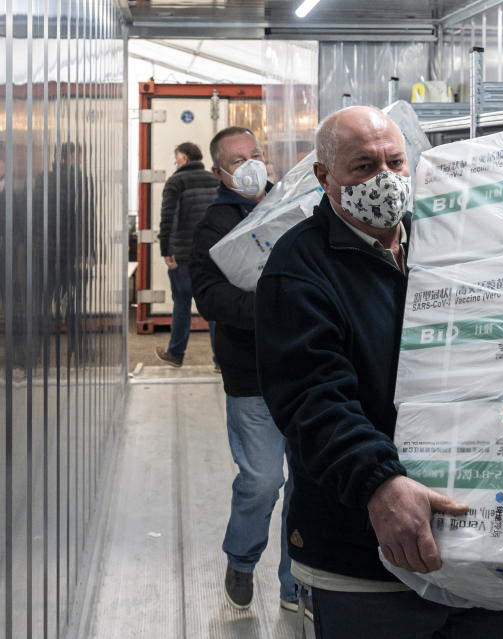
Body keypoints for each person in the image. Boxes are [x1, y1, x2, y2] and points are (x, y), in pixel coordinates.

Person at [255, 106, 503, 639]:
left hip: (472, 543)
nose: (385, 180)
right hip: (364, 558)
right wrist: (380, 483)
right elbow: (314, 400)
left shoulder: (449, 246)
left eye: (395, 162)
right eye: (362, 167)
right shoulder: (298, 270)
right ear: (324, 178)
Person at [189, 126, 306, 618]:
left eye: (256, 155)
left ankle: (296, 581)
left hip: (306, 369)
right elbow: (211, 296)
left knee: (307, 482)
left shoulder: (297, 209)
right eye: (238, 160)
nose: (252, 165)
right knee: (261, 480)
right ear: (220, 172)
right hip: (251, 373)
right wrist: (271, 307)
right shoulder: (214, 225)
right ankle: (241, 559)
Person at [155, 142, 219, 368]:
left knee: (181, 303)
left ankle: (176, 353)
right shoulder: (215, 180)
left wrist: (166, 250)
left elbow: (168, 218)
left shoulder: (176, 182)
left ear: (183, 157)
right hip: (212, 254)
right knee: (213, 306)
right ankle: (221, 361)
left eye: (176, 157)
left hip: (183, 255)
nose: (175, 162)